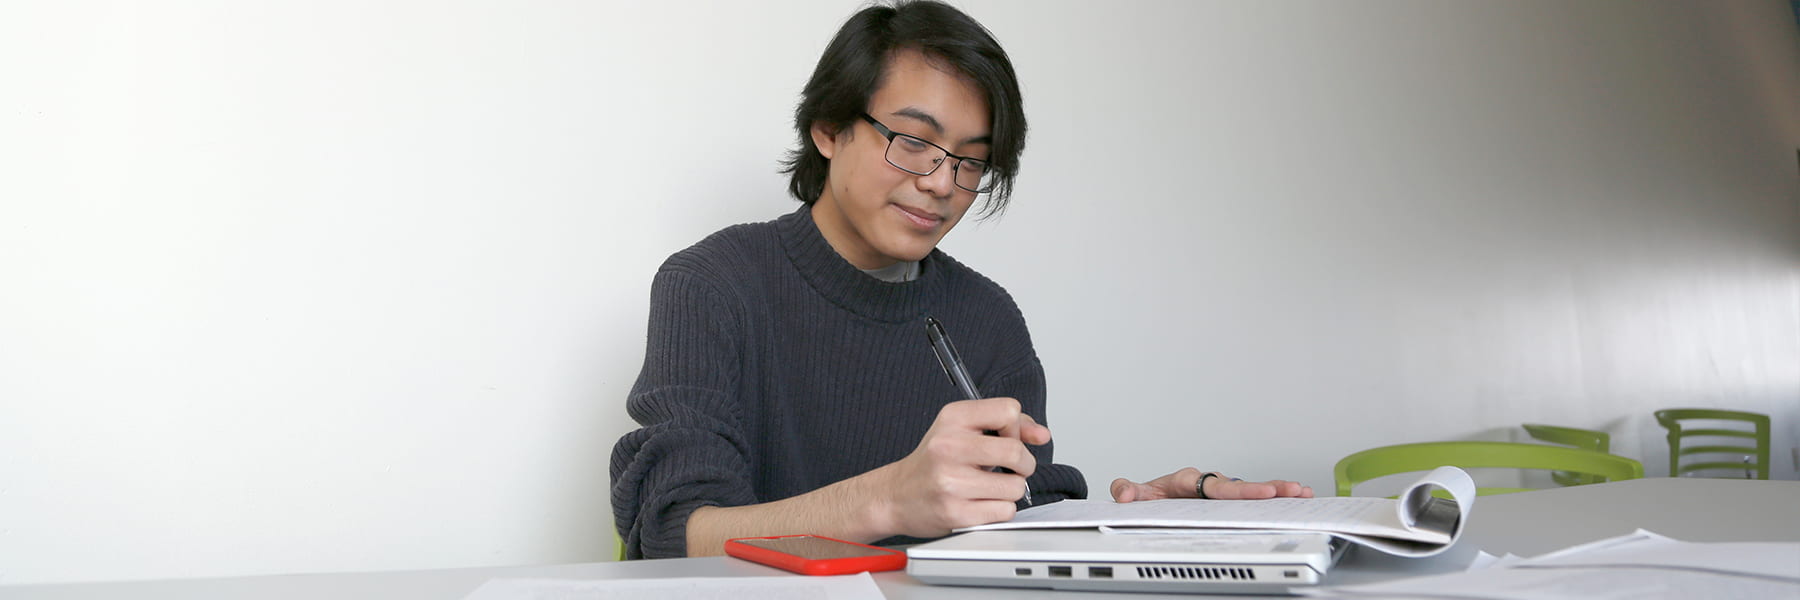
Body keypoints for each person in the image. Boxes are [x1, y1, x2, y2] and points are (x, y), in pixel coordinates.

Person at [609, 0, 1310, 560]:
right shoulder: (713, 285)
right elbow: (678, 536)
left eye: (971, 162)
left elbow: (1019, 521)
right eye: (912, 141)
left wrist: (1142, 527)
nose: (942, 183)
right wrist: (888, 501)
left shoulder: (987, 317)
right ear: (828, 126)